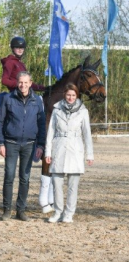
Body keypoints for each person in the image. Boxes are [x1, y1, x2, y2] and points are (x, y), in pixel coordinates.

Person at [0, 71, 46, 221]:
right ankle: (6, 210)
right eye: (20, 82)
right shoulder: (8, 99)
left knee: (25, 178)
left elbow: (41, 124)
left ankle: (21, 210)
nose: (23, 85)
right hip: (11, 143)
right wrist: (0, 142)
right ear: (17, 83)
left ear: (30, 83)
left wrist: (41, 145)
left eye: (26, 82)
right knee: (9, 176)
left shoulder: (37, 101)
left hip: (29, 145)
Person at [45, 83, 94, 223]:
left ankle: (69, 213)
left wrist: (89, 154)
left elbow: (87, 134)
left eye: (73, 95)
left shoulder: (83, 111)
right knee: (56, 183)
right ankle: (57, 212)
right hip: (59, 147)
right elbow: (51, 132)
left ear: (76, 95)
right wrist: (48, 152)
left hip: (75, 149)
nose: (70, 98)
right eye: (68, 95)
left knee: (73, 186)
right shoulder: (56, 110)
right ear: (64, 95)